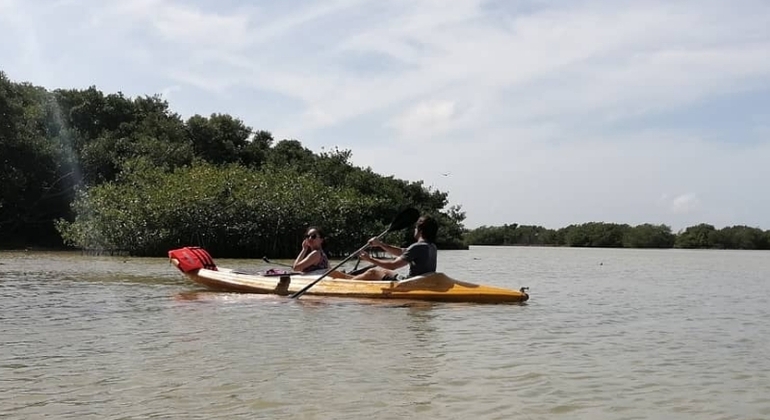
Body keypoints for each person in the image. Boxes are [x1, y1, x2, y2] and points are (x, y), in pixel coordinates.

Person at [351, 215, 438, 281]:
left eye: (416, 228)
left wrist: (369, 259)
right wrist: (380, 244)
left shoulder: (417, 247)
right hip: (421, 281)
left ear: (420, 231)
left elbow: (392, 266)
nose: (414, 230)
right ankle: (350, 279)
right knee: (384, 271)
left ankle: (348, 283)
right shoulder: (431, 246)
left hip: (410, 283)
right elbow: (402, 252)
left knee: (373, 272)